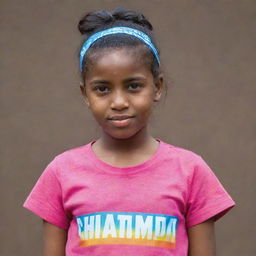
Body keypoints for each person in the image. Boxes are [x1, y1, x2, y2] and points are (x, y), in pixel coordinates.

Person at [23, 7, 235, 256]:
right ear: (85, 95)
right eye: (102, 89)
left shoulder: (191, 171)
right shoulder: (61, 172)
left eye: (134, 86)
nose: (119, 102)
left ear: (157, 87)